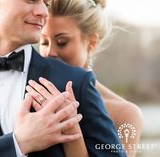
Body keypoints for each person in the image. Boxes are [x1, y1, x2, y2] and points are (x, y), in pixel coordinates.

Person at [0, 0, 126, 157]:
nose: (43, 12)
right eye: (31, 0)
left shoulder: (76, 81)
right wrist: (18, 143)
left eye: (45, 3)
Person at [27, 0, 143, 156]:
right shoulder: (30, 95)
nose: (49, 52)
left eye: (62, 42)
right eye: (44, 42)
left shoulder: (125, 113)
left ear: (91, 42)